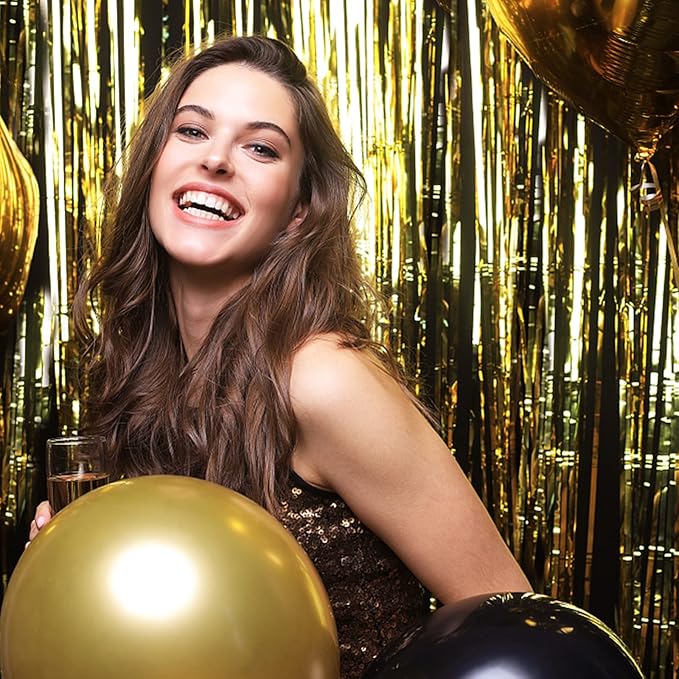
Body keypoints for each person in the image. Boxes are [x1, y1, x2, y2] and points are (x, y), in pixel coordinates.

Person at [29, 34, 531, 678]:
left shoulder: (322, 379)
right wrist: (89, 562)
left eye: (260, 148)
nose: (215, 160)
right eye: (191, 131)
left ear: (298, 210)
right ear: (154, 165)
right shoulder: (147, 368)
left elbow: (515, 633)